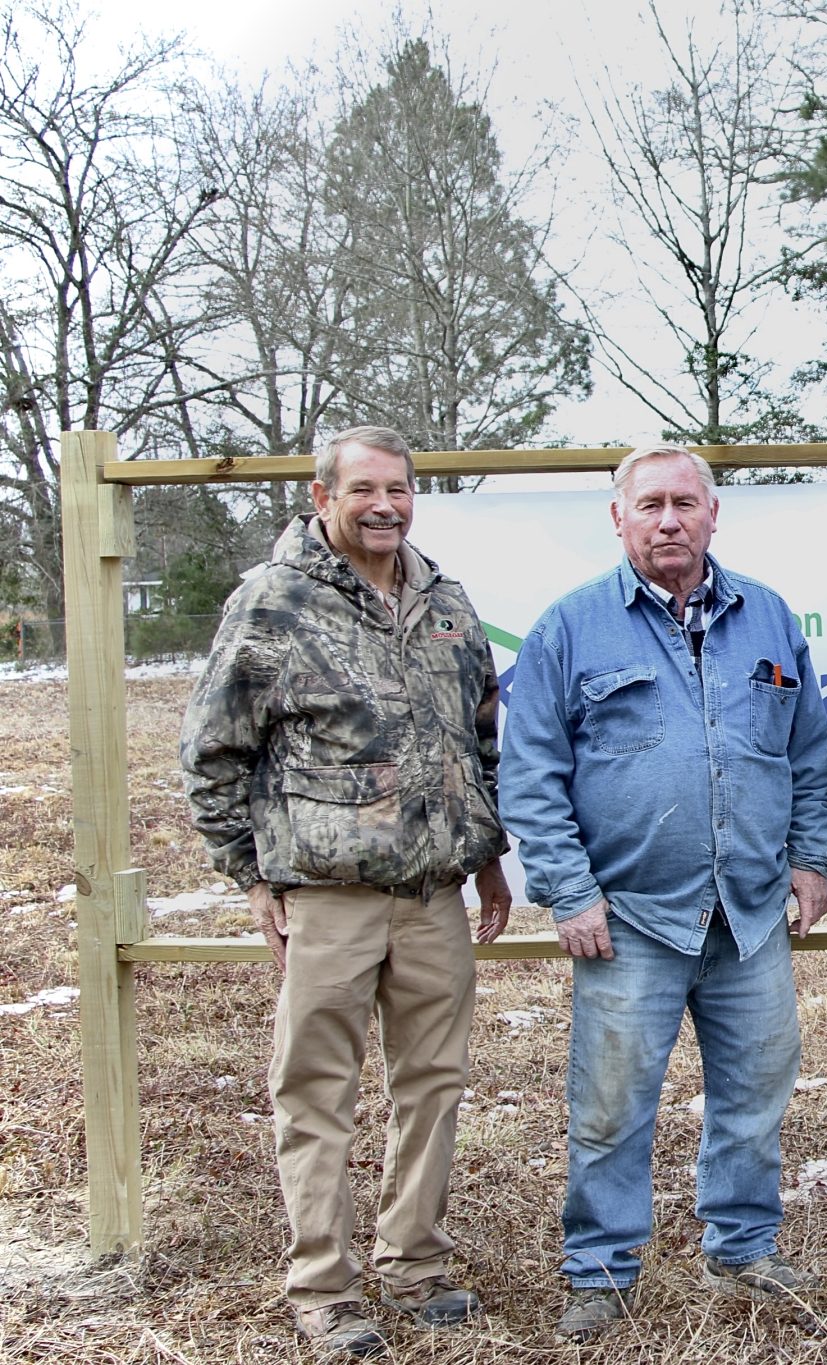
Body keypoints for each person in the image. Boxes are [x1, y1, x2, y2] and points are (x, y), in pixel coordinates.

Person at [181, 425, 512, 1360]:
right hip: (327, 896)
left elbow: (479, 737)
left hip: (434, 894)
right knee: (318, 1093)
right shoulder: (273, 601)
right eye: (364, 488)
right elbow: (213, 750)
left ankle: (416, 1260)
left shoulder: (444, 599)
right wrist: (249, 873)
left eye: (399, 489)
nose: (385, 505)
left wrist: (486, 854)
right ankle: (325, 1287)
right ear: (322, 495)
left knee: (434, 1085)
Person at [497, 444, 827, 1342]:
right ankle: (602, 1269)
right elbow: (531, 773)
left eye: (685, 502)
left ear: (714, 513)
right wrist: (569, 892)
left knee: (756, 1093)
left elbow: (807, 752)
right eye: (649, 504)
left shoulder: (765, 617)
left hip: (750, 912)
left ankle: (744, 1242)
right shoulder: (569, 628)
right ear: (618, 518)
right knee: (611, 1106)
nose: (669, 520)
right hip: (629, 918)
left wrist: (810, 858)